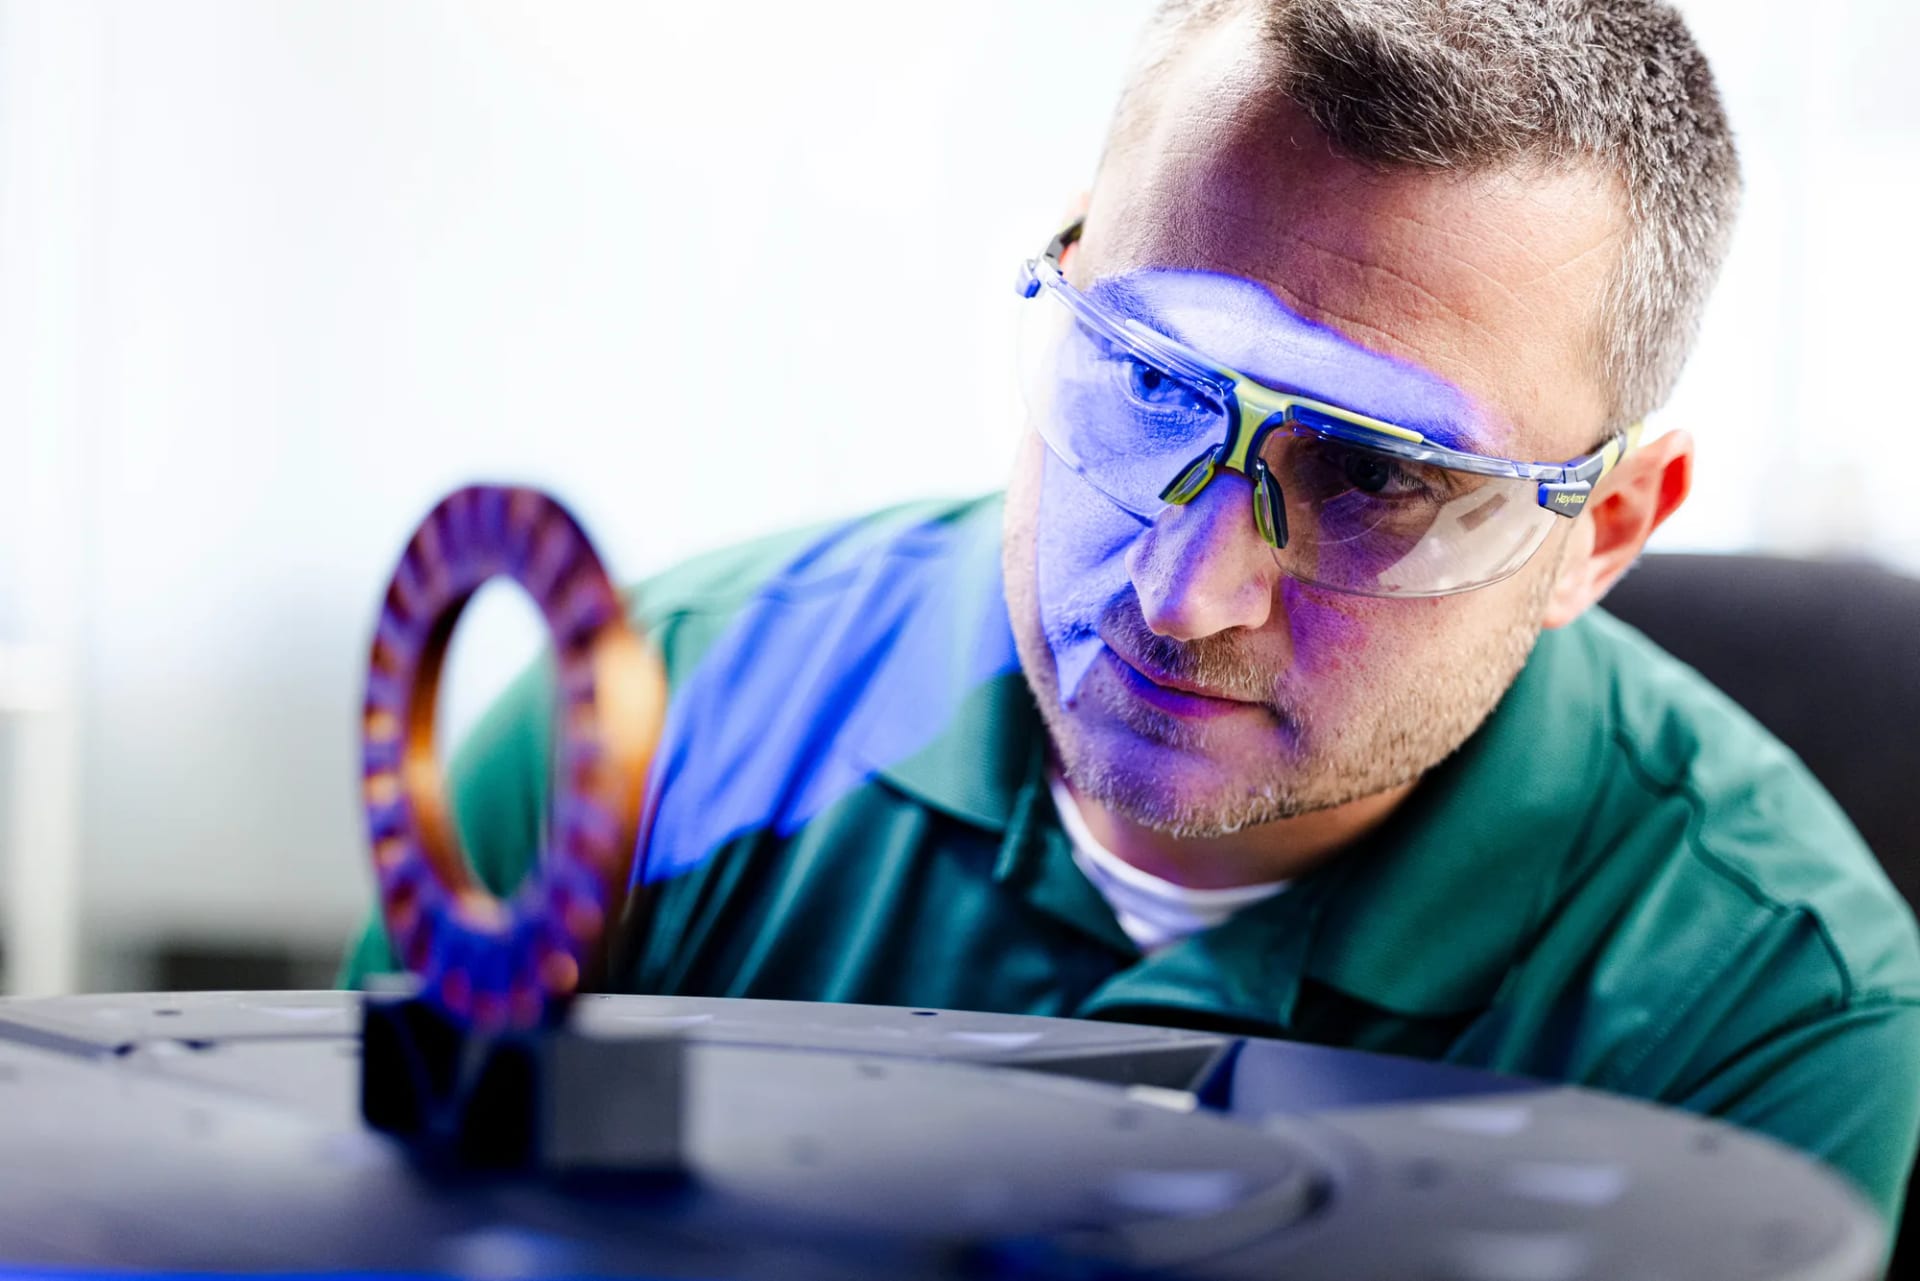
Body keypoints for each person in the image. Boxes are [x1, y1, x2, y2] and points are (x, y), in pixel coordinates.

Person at [343, 0, 1920, 1231]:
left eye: (1376, 474)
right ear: (1070, 265)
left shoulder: (1764, 1010)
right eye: (1154, 378)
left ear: (1606, 529)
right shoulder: (649, 727)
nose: (1183, 588)